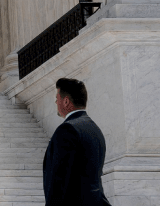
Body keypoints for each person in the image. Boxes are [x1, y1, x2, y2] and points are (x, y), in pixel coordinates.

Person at [42, 77, 110, 206]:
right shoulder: (95, 129)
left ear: (66, 101)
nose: (56, 102)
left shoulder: (67, 130)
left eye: (57, 98)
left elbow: (58, 181)